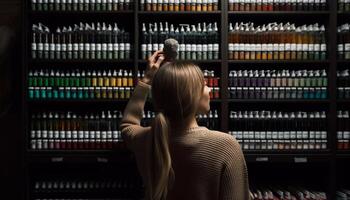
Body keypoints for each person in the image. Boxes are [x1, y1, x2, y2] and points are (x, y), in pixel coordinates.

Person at [120, 50, 250, 200]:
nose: (210, 89)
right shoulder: (226, 146)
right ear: (192, 95)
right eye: (205, 85)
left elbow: (127, 124)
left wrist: (147, 78)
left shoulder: (147, 139)